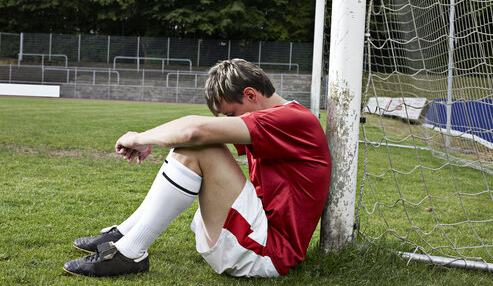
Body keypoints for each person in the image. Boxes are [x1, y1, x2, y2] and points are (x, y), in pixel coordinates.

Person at [63, 59, 331, 278]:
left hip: (270, 251)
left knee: (201, 146)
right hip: (261, 231)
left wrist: (139, 137)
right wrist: (149, 141)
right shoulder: (285, 118)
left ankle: (130, 252)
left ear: (250, 94)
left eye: (230, 114)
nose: (229, 122)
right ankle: (126, 234)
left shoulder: (292, 119)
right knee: (198, 144)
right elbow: (192, 132)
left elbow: (194, 130)